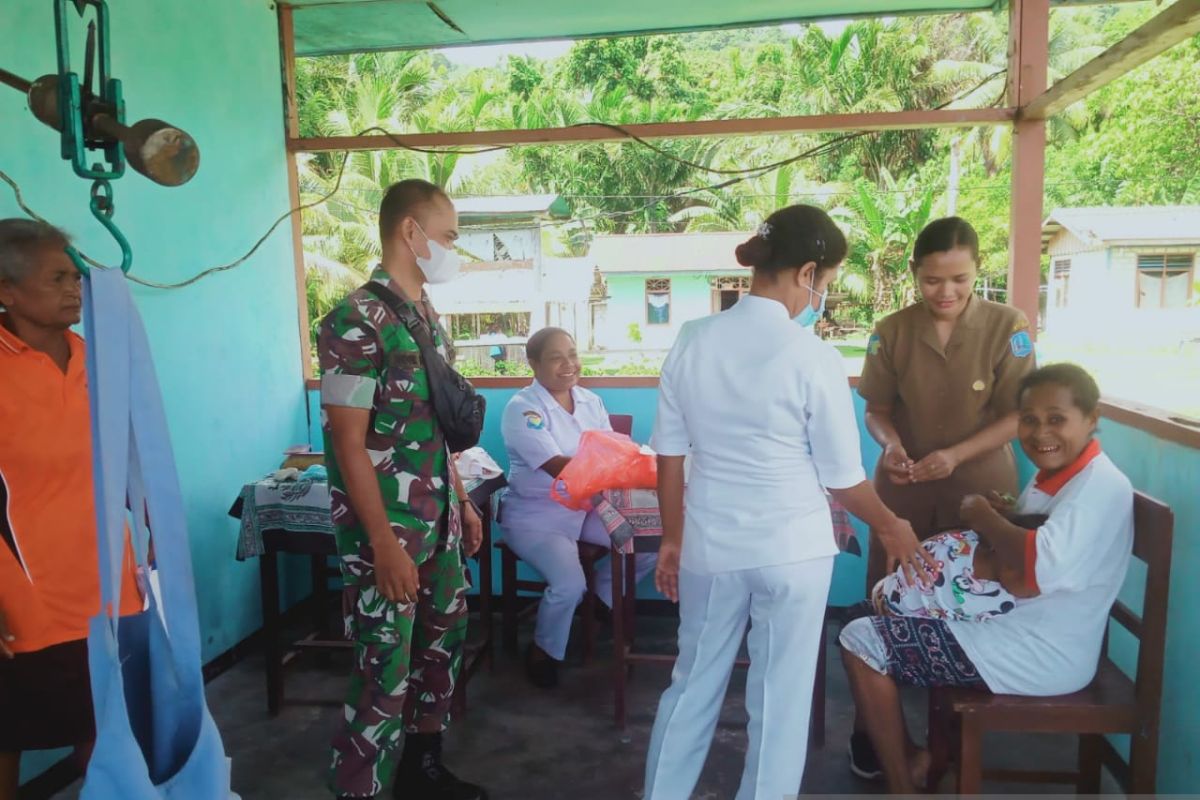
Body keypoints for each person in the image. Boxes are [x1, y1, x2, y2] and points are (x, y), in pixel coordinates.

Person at [642, 206, 932, 800]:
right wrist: (893, 524)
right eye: (824, 283)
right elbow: (842, 478)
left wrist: (672, 537)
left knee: (691, 685)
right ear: (806, 272)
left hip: (710, 545)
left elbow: (668, 456)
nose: (820, 296)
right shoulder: (814, 358)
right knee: (779, 702)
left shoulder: (693, 340)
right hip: (793, 552)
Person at [841, 363, 1134, 793]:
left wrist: (983, 517)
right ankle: (913, 758)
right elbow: (1033, 537)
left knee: (860, 641)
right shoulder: (1056, 476)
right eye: (1029, 420)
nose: (1041, 433)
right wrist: (1006, 516)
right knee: (868, 611)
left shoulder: (1099, 488)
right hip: (1016, 625)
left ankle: (903, 786)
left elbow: (1037, 568)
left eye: (1056, 419)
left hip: (1039, 652)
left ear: (1091, 419)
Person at [850, 216, 1037, 777]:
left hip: (980, 493)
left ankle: (956, 737)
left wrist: (956, 456)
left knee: (974, 605)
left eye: (959, 279)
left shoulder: (1010, 325)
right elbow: (877, 409)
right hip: (902, 491)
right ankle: (873, 734)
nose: (946, 292)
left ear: (979, 271)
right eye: (933, 280)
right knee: (883, 602)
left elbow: (1017, 415)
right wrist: (890, 446)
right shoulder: (891, 329)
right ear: (915, 274)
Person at [319, 180, 487, 800]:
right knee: (383, 665)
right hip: (387, 533)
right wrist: (384, 544)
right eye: (447, 237)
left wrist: (463, 503)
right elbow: (347, 442)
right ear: (409, 232)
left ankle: (421, 771)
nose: (452, 250)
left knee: (439, 652)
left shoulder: (425, 319)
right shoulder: (352, 322)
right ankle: (359, 787)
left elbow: (436, 426)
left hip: (437, 525)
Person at [0, 219, 142, 800]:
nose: (73, 288)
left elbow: (133, 453)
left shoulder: (98, 357)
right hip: (27, 594)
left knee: (109, 727)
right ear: (6, 291)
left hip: (109, 586)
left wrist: (155, 526)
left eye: (76, 276)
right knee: (9, 731)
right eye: (57, 277)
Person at [500, 327, 656, 688]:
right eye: (556, 358)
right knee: (569, 585)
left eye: (572, 354)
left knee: (645, 543)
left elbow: (611, 452)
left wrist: (633, 465)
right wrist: (631, 466)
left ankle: (601, 600)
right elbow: (562, 469)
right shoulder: (523, 409)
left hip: (585, 510)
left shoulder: (590, 401)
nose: (568, 364)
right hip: (537, 517)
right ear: (534, 364)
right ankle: (544, 651)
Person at [869, 514, 1047, 622]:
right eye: (1034, 580)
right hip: (887, 595)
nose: (1036, 590)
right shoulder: (1000, 603)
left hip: (889, 601)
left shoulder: (964, 538)